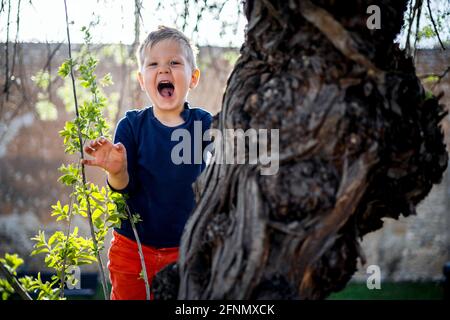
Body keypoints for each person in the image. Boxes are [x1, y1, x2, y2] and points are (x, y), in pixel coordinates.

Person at [81, 26, 212, 300]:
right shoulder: (131, 126)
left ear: (193, 77)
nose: (163, 70)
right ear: (143, 79)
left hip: (186, 251)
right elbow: (123, 187)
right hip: (132, 249)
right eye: (153, 64)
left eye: (174, 63)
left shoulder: (204, 124)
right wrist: (117, 170)